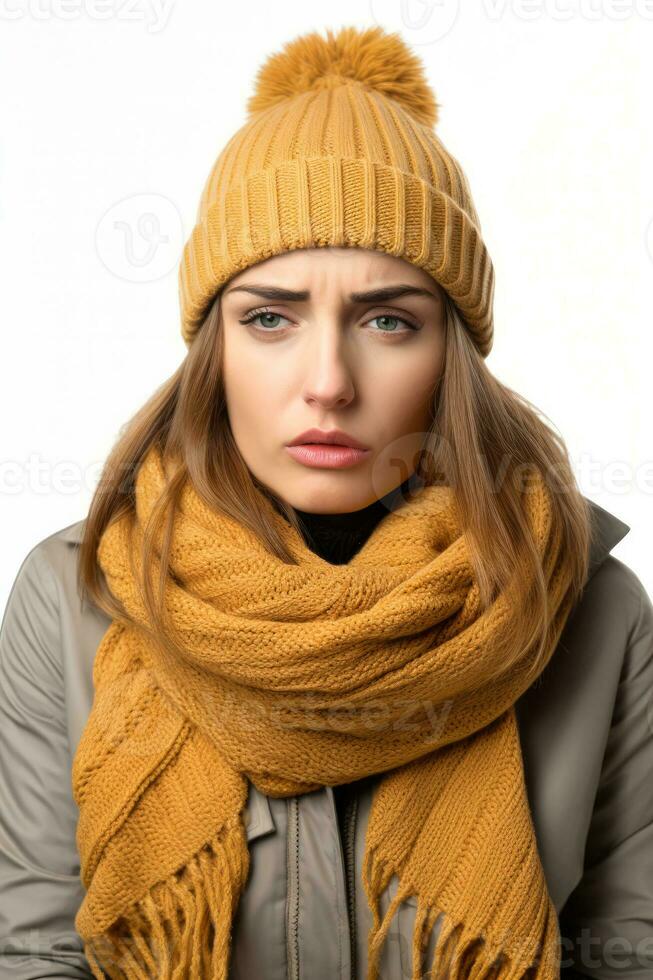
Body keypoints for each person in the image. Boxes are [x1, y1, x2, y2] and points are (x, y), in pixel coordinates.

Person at [1, 23, 651, 980]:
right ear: (213, 347)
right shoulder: (76, 595)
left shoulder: (591, 610)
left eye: (388, 320)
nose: (329, 382)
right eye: (270, 317)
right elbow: (38, 953)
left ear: (453, 354)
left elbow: (627, 955)